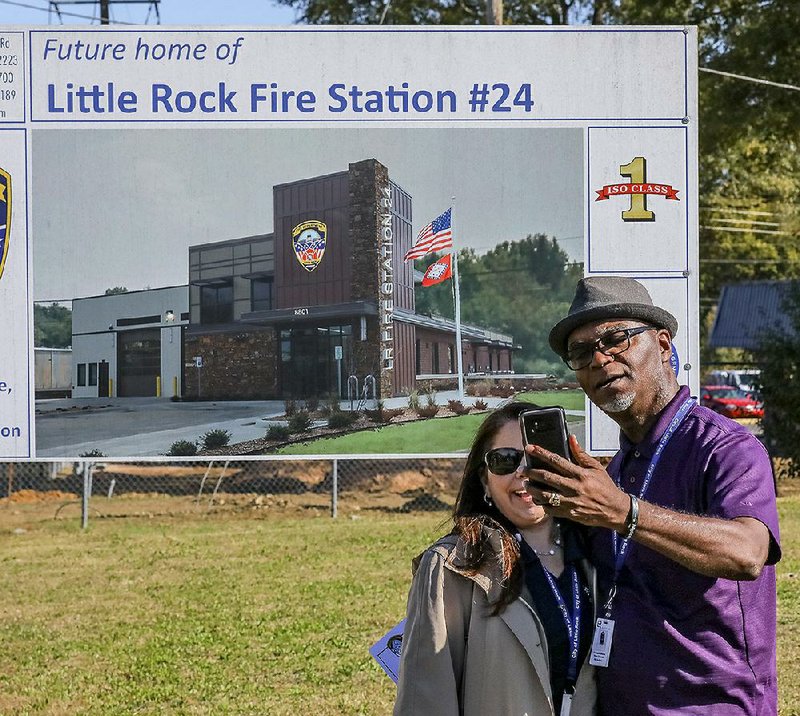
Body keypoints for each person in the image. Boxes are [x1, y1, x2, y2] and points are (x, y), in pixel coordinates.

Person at [524, 276, 781, 715]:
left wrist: (623, 512)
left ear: (662, 345)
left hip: (710, 707)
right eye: (581, 353)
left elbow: (747, 553)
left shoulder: (724, 447)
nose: (600, 359)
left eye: (616, 338)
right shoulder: (616, 469)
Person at [394, 401, 596, 716]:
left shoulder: (601, 555)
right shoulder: (450, 566)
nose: (523, 472)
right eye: (505, 460)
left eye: (538, 457)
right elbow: (425, 701)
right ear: (485, 480)